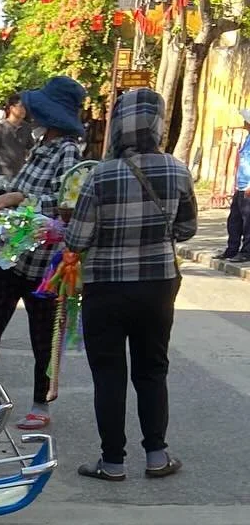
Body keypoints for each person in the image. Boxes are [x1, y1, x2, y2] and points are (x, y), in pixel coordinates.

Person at [65, 87, 196, 481]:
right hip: (158, 285)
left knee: (109, 374)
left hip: (105, 288)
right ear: (158, 124)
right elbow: (187, 228)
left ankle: (113, 462)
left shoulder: (99, 175)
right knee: (152, 369)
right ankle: (157, 456)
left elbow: (77, 240)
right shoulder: (177, 170)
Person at [0, 75, 87, 427]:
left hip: (43, 263)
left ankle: (41, 405)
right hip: (8, 255)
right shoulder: (41, 144)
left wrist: (20, 199)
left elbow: (68, 206)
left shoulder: (68, 152)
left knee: (43, 336)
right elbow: (10, 193)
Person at [0, 95, 32, 187]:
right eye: (21, 106)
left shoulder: (27, 128)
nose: (24, 110)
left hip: (20, 175)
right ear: (12, 108)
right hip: (1, 174)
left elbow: (29, 150)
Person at [226, 111, 250, 262]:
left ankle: (247, 251)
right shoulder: (247, 138)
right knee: (234, 220)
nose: (244, 123)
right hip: (240, 185)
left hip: (248, 186)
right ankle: (232, 249)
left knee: (248, 223)